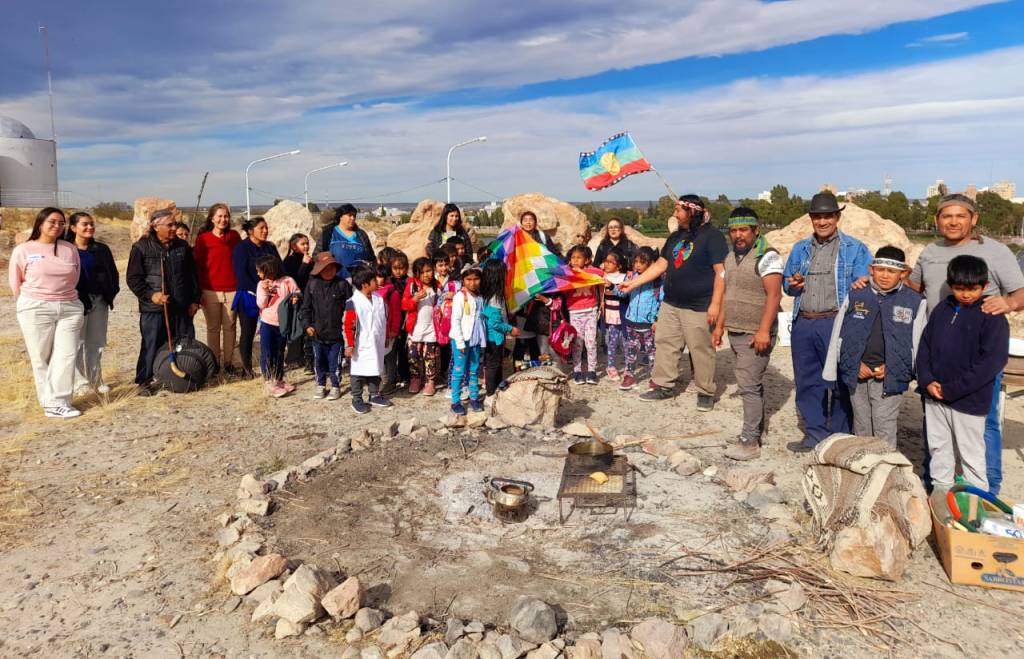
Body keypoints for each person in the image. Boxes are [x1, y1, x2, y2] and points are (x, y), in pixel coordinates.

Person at [907, 193, 1024, 494]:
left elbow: (1020, 292)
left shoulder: (996, 252)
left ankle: (987, 490)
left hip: (977, 356)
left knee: (982, 426)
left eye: (961, 216)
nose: (954, 221)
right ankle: (937, 485)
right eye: (947, 216)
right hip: (939, 350)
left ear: (974, 219)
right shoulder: (930, 251)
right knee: (936, 424)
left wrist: (1008, 302)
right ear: (937, 220)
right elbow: (914, 286)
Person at [781, 191, 872, 452]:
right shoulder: (800, 248)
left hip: (837, 321)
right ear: (811, 219)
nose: (822, 222)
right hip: (804, 321)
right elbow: (789, 286)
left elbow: (863, 284)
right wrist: (794, 285)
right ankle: (815, 434)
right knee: (808, 380)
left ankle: (840, 438)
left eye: (828, 216)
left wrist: (861, 284)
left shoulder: (855, 248)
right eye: (817, 217)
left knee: (842, 380)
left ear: (837, 217)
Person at [620, 196, 728, 410]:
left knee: (700, 349)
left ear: (692, 212)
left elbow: (721, 272)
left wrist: (715, 304)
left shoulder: (712, 236)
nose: (675, 214)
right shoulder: (676, 237)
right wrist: (633, 284)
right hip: (671, 303)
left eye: (678, 210)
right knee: (665, 343)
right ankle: (663, 385)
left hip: (699, 305)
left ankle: (705, 392)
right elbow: (661, 265)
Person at [917, 255, 1009, 494]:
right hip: (935, 395)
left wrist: (952, 389)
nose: (966, 294)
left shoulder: (992, 316)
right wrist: (926, 380)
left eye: (973, 289)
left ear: (985, 286)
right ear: (950, 285)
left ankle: (976, 507)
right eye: (959, 288)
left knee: (972, 457)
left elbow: (991, 362)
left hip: (968, 401)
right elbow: (924, 346)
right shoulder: (942, 309)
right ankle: (940, 500)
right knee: (939, 450)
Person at [822, 246, 926, 450]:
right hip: (858, 371)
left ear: (903, 273)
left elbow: (918, 343)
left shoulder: (914, 302)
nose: (885, 275)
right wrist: (851, 364)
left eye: (892, 271)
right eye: (880, 270)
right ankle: (863, 469)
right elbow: (839, 334)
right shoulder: (856, 294)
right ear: (871, 269)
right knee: (861, 424)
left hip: (889, 375)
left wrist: (895, 368)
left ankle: (884, 471)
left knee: (884, 426)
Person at [714, 209, 784, 460]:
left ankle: (749, 442)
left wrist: (764, 330)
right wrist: (720, 326)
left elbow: (774, 296)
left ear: (756, 230)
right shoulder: (731, 257)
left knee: (748, 386)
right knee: (750, 384)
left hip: (756, 332)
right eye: (733, 230)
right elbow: (727, 294)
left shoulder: (768, 256)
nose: (738, 235)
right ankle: (756, 431)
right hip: (735, 329)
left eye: (743, 230)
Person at [9, 208, 87, 417]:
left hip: (69, 306)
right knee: (41, 357)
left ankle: (61, 400)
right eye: (52, 222)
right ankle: (50, 404)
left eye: (61, 223)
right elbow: (16, 282)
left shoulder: (69, 248)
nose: (57, 226)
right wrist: (30, 302)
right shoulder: (24, 249)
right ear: (40, 223)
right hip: (36, 307)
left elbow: (75, 275)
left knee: (67, 354)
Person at [126, 208, 201, 395]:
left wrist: (194, 300)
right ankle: (144, 381)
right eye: (170, 225)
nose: (174, 228)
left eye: (175, 224)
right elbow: (134, 279)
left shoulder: (182, 247)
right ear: (155, 225)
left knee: (184, 343)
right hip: (154, 308)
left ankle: (183, 376)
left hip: (182, 306)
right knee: (151, 344)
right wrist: (152, 295)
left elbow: (192, 277)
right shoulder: (141, 248)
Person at [66, 211, 119, 395]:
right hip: (75, 302)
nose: (89, 227)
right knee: (77, 343)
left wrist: (110, 292)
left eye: (91, 224)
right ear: (73, 228)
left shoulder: (101, 249)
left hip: (99, 301)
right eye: (85, 224)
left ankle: (96, 380)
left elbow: (112, 272)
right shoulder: (65, 249)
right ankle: (80, 383)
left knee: (96, 343)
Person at [193, 203, 241, 373]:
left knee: (230, 327)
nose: (223, 219)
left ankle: (228, 364)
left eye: (226, 216)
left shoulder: (235, 237)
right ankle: (213, 364)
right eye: (219, 216)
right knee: (213, 329)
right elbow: (197, 267)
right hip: (210, 291)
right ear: (212, 218)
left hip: (233, 289)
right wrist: (198, 292)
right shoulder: (203, 239)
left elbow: (240, 261)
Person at [231, 217, 281, 378]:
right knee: (248, 332)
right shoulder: (241, 248)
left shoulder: (270, 248)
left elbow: (280, 269)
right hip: (249, 295)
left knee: (272, 331)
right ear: (251, 231)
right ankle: (246, 369)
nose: (265, 231)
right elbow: (241, 275)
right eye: (261, 228)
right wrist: (261, 289)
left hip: (272, 296)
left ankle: (272, 366)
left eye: (266, 227)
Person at [300, 252, 352, 401]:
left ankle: (336, 386)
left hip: (337, 334)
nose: (329, 271)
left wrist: (349, 332)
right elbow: (305, 309)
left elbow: (350, 310)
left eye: (332, 267)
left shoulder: (342, 285)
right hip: (317, 333)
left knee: (335, 362)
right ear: (318, 269)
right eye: (325, 268)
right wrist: (307, 325)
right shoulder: (312, 284)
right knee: (319, 361)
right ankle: (321, 385)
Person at [344, 266, 392, 414]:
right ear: (365, 284)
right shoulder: (353, 302)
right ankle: (357, 398)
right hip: (361, 343)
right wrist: (349, 344)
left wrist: (386, 336)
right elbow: (348, 325)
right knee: (358, 372)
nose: (377, 281)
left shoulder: (378, 299)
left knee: (375, 368)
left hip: (376, 340)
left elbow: (384, 320)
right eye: (373, 279)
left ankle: (374, 394)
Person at [255, 255, 300, 397]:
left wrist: (295, 298)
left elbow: (297, 293)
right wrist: (264, 290)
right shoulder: (261, 284)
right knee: (267, 352)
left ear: (269, 270)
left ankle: (279, 379)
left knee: (280, 352)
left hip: (283, 323)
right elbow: (261, 304)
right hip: (267, 323)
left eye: (260, 271)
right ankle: (269, 381)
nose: (258, 274)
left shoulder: (288, 281)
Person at [617, 247, 661, 391]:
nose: (637, 265)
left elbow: (663, 302)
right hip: (631, 321)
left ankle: (655, 377)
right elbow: (622, 294)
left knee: (652, 352)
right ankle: (629, 376)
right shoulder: (631, 277)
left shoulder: (658, 282)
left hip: (648, 324)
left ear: (651, 263)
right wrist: (615, 287)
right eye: (636, 262)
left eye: (642, 262)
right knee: (630, 350)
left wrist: (657, 320)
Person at [449, 264, 486, 415]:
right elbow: (455, 320)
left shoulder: (480, 296)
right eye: (469, 279)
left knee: (474, 369)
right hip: (462, 339)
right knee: (458, 370)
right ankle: (455, 401)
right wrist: (459, 341)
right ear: (463, 280)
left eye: (476, 279)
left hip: (476, 338)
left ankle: (474, 398)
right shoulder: (459, 297)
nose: (472, 282)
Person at [566, 245, 605, 385]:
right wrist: (573, 272)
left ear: (587, 260)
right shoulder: (567, 273)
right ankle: (577, 371)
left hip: (591, 311)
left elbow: (600, 273)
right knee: (577, 343)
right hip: (575, 312)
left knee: (591, 342)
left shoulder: (592, 272)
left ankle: (592, 371)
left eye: (579, 258)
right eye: (573, 258)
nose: (575, 261)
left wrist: (582, 272)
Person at [480, 259, 520, 396]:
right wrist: (510, 329)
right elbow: (495, 323)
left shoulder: (488, 294)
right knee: (493, 364)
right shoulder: (494, 298)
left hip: (491, 336)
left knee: (496, 363)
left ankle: (496, 388)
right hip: (494, 337)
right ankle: (491, 393)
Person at [402, 257, 439, 395]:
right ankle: (415, 379)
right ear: (416, 273)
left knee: (430, 356)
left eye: (429, 271)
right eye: (422, 272)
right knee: (413, 356)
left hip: (431, 328)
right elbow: (404, 304)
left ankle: (430, 382)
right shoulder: (412, 285)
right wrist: (415, 299)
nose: (426, 274)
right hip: (415, 328)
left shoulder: (437, 286)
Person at [317, 203, 375, 280]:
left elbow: (371, 257)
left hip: (358, 282)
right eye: (350, 215)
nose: (353, 218)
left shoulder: (361, 235)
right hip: (335, 281)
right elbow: (317, 255)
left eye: (354, 216)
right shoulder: (329, 233)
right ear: (341, 216)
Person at [282, 233, 314, 372]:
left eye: (307, 243)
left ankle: (308, 359)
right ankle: (294, 358)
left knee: (309, 327)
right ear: (294, 246)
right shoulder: (289, 261)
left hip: (310, 298)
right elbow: (295, 280)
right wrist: (304, 265)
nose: (306, 246)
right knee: (296, 328)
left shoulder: (310, 260)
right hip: (297, 298)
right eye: (303, 244)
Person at [432, 252, 460, 388]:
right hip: (432, 317)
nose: (443, 268)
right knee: (432, 345)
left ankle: (445, 371)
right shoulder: (431, 280)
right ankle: (432, 375)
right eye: (440, 265)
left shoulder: (454, 281)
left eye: (445, 265)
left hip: (447, 317)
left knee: (446, 345)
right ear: (435, 266)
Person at [375, 263, 403, 395]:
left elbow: (396, 313)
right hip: (378, 331)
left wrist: (394, 330)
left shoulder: (392, 292)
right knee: (381, 356)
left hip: (389, 331)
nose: (378, 279)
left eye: (381, 277)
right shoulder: (373, 291)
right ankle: (384, 379)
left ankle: (391, 381)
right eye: (375, 276)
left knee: (390, 357)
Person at [601, 251, 628, 381]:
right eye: (606, 261)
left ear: (619, 266)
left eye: (611, 262)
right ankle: (611, 366)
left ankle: (629, 366)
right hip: (610, 315)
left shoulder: (625, 277)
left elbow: (624, 294)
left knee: (626, 342)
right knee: (611, 341)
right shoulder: (601, 276)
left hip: (622, 314)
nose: (607, 264)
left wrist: (611, 286)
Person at [390, 251, 412, 385]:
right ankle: (392, 375)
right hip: (392, 319)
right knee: (392, 350)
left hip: (405, 320)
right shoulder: (389, 281)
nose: (398, 271)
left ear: (406, 268)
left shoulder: (409, 281)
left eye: (401, 268)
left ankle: (405, 375)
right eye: (395, 268)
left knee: (404, 350)